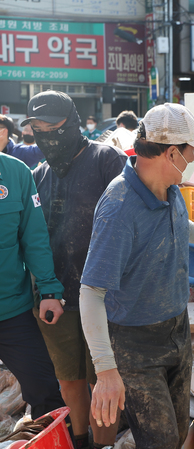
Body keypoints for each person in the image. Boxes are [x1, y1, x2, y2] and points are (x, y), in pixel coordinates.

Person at [79, 103, 194, 449]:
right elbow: (90, 293)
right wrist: (105, 370)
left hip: (177, 329)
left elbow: (178, 224)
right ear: (173, 153)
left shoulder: (170, 188)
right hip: (135, 345)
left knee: (176, 436)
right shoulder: (119, 208)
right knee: (159, 442)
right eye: (192, 151)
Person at [22, 91, 127, 449]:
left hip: (106, 296)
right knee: (69, 379)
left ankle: (104, 445)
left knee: (104, 380)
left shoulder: (105, 159)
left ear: (73, 122)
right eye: (38, 129)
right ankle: (80, 441)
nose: (47, 135)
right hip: (56, 295)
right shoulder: (38, 174)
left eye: (54, 127)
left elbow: (132, 216)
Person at [0, 151, 67, 421]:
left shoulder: (16, 172)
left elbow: (34, 236)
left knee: (45, 390)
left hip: (12, 309)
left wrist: (49, 289)